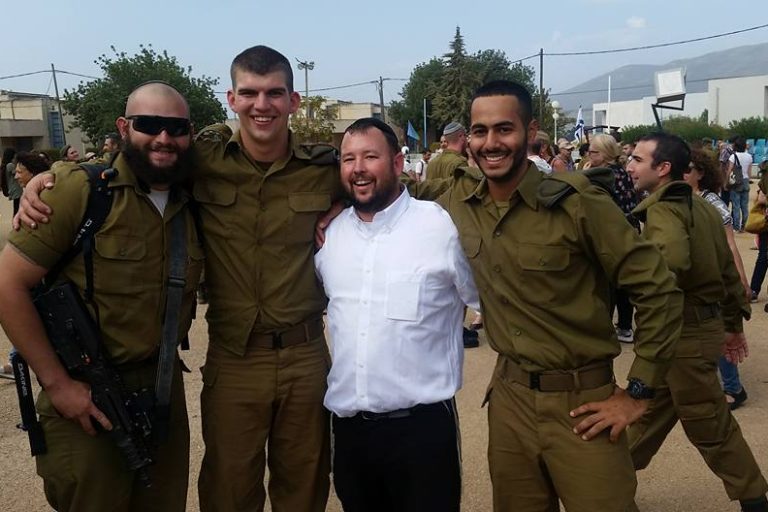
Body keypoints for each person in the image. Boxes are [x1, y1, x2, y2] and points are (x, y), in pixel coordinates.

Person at [437, 80, 683, 511]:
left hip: (583, 403)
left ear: (530, 131)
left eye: (504, 129)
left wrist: (639, 391)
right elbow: (377, 181)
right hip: (509, 401)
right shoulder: (462, 200)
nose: (490, 143)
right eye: (480, 131)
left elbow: (658, 287)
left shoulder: (578, 202)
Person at [0, 81, 202, 512]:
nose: (164, 138)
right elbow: (7, 284)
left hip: (162, 390)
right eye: (149, 125)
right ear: (124, 127)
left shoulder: (196, 197)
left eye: (176, 127)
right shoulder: (81, 190)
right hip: (86, 396)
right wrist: (57, 384)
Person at [192, 45, 340, 512]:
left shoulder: (325, 167)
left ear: (293, 102)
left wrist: (339, 207)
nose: (262, 105)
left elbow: (390, 189)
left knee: (304, 488)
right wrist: (47, 178)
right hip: (234, 358)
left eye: (275, 93)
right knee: (229, 491)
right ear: (231, 98)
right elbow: (135, 167)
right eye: (250, 93)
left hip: (304, 356)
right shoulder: (200, 162)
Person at [317, 117, 479, 512]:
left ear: (396, 162)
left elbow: (487, 300)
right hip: (351, 432)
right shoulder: (330, 236)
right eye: (348, 158)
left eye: (370, 156)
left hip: (421, 431)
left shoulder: (440, 226)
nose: (358, 168)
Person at [626, 132, 768, 512]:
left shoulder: (665, 210)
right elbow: (727, 272)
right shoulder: (702, 206)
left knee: (710, 426)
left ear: (664, 168)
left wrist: (633, 280)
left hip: (681, 337)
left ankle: (754, 498)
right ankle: (607, 481)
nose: (630, 166)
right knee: (646, 417)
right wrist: (733, 323)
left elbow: (668, 267)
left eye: (638, 159)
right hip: (693, 333)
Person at [684, 148, 751, 410]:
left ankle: (733, 388)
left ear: (700, 173)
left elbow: (730, 246)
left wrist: (741, 282)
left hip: (715, 279)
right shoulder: (681, 199)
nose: (683, 173)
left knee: (723, 330)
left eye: (688, 169)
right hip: (697, 279)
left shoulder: (711, 202)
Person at [587, 134, 640, 343]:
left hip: (609, 234)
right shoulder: (623, 171)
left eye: (593, 151)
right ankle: (625, 327)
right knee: (623, 284)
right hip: (628, 230)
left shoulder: (602, 175)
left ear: (605, 153)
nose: (589, 154)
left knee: (605, 284)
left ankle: (604, 329)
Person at [727, 136, 753, 232]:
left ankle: (736, 226)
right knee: (744, 206)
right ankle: (744, 225)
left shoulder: (733, 156)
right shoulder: (749, 156)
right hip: (745, 180)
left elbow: (729, 170)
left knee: (736, 205)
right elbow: (749, 172)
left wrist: (727, 181)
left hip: (736, 182)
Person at [2, 147, 21, 215]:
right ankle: (16, 222)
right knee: (17, 208)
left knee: (17, 207)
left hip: (13, 188)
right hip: (15, 189)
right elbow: (18, 174)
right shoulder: (10, 165)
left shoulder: (7, 165)